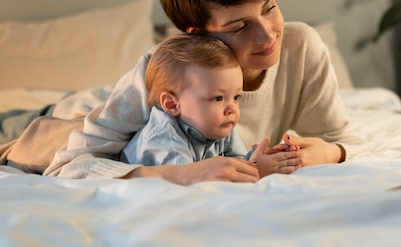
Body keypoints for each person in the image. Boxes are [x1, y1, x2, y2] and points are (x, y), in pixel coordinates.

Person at [45, 0, 365, 185]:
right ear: (196, 33)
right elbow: (69, 165)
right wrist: (179, 174)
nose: (267, 35)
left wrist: (331, 152)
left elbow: (346, 140)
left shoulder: (302, 46)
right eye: (240, 26)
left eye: (269, 8)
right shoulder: (164, 67)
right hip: (73, 114)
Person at [120, 33, 296, 178]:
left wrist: (260, 159)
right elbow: (191, 182)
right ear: (172, 104)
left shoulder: (219, 124)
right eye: (218, 98)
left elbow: (235, 162)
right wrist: (255, 172)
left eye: (236, 97)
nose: (231, 108)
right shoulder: (164, 139)